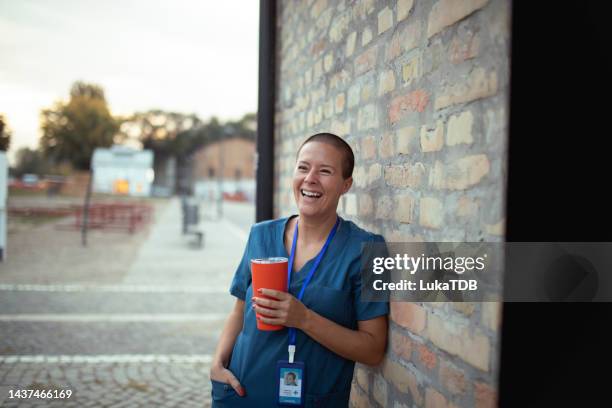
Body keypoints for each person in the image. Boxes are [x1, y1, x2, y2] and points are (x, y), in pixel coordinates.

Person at [210, 132, 388, 407]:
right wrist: (217, 363)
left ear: (346, 184)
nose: (310, 179)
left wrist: (304, 319)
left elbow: (374, 349)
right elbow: (239, 311)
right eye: (303, 168)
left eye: (325, 171)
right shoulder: (261, 235)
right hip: (240, 395)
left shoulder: (368, 250)